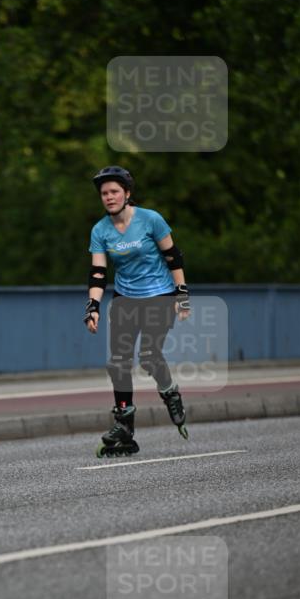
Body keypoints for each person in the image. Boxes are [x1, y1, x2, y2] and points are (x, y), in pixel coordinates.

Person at [83, 166, 191, 457]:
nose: (109, 197)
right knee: (117, 362)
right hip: (125, 298)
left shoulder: (150, 219)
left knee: (148, 356)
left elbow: (173, 255)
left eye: (114, 191)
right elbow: (97, 273)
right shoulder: (100, 230)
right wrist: (92, 306)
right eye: (104, 193)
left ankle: (170, 392)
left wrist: (182, 294)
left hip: (159, 295)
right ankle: (124, 427)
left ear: (127, 193)